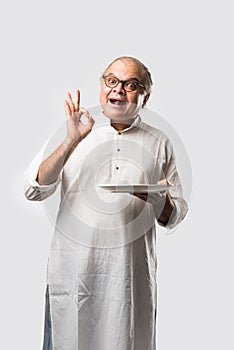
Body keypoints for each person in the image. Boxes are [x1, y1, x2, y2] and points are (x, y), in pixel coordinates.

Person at [24, 56, 188, 350]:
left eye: (130, 84)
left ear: (145, 96)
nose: (119, 89)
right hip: (73, 276)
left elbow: (174, 215)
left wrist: (157, 199)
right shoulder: (77, 129)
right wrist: (70, 141)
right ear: (102, 86)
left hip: (128, 278)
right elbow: (34, 189)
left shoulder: (159, 142)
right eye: (112, 81)